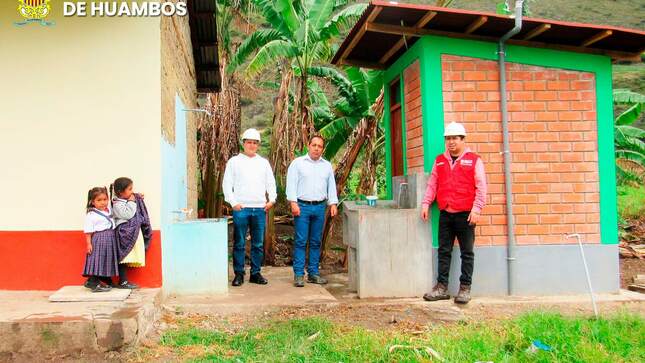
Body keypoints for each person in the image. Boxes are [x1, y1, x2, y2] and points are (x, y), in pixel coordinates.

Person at [420, 122, 487, 304]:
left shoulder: (474, 160)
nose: (451, 142)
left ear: (463, 140)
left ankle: (465, 288)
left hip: (466, 214)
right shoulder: (440, 160)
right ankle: (441, 287)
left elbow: (481, 186)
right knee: (444, 251)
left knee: (467, 252)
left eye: (455, 138)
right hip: (446, 213)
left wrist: (477, 209)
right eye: (448, 138)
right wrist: (426, 203)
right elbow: (433, 184)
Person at [223, 128, 277, 286]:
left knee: (258, 243)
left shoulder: (263, 163)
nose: (252, 145)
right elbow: (227, 184)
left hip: (260, 208)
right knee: (239, 242)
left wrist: (271, 199)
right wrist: (233, 202)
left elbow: (270, 183)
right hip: (241, 209)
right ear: (243, 143)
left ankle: (255, 273)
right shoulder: (234, 162)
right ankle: (239, 274)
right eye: (249, 142)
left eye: (255, 143)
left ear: (258, 145)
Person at [286, 135, 338, 287]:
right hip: (302, 207)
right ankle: (299, 274)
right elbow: (291, 184)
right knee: (301, 241)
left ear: (322, 149)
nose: (316, 148)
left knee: (316, 241)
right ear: (308, 146)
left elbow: (331, 186)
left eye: (320, 146)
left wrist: (333, 204)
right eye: (314, 145)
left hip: (320, 207)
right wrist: (293, 203)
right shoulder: (298, 164)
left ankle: (313, 273)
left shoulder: (327, 165)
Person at [111, 177, 152, 289]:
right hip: (124, 233)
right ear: (120, 192)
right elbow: (128, 214)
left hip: (131, 233)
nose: (132, 192)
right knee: (124, 257)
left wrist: (137, 197)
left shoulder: (126, 199)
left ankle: (124, 280)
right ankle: (123, 281)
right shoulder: (117, 204)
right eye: (129, 189)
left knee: (127, 256)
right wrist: (133, 201)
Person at [82, 187, 119, 292]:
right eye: (99, 200)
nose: (103, 202)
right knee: (98, 259)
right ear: (92, 202)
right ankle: (92, 281)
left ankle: (104, 279)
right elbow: (88, 231)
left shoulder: (108, 210)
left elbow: (115, 198)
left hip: (110, 239)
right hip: (100, 239)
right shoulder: (91, 215)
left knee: (106, 259)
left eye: (105, 199)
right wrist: (89, 244)